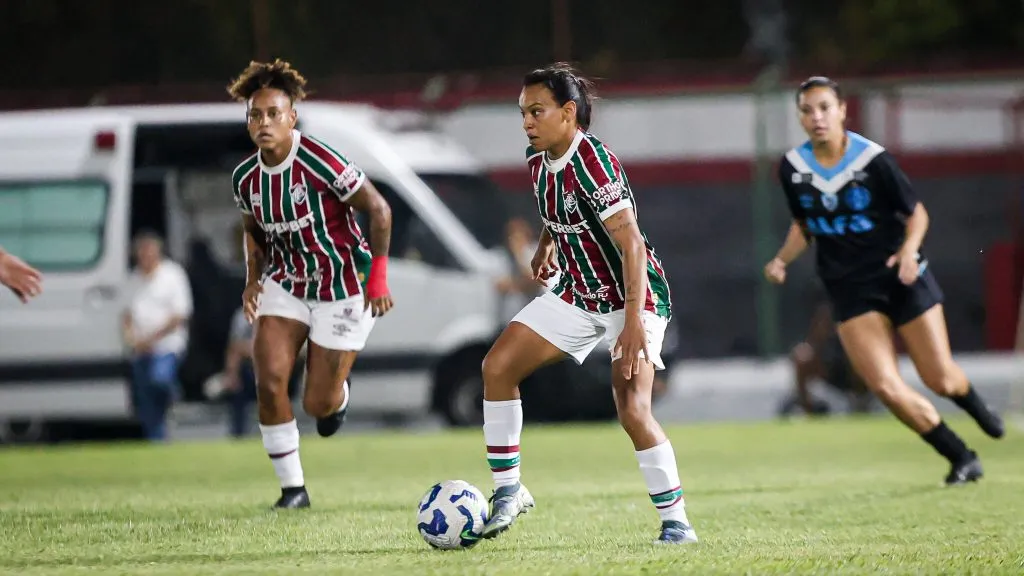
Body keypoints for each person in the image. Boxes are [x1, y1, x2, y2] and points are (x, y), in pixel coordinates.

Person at [478, 63, 696, 545]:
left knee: (633, 410)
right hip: (578, 292)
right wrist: (545, 245)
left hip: (633, 295)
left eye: (537, 111)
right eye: (523, 112)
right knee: (497, 368)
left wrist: (634, 323)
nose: (527, 122)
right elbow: (560, 212)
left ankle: (677, 523)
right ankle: (508, 491)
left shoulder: (594, 163)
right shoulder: (538, 160)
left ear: (568, 112)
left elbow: (632, 245)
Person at [764, 76, 1005, 486]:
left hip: (900, 275)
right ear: (800, 117)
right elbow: (804, 225)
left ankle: (976, 406)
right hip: (849, 288)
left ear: (842, 110)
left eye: (825, 107)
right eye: (807, 110)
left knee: (940, 378)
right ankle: (960, 456)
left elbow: (916, 213)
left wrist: (910, 250)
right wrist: (781, 260)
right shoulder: (793, 167)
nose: (816, 117)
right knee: (886, 387)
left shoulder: (872, 160)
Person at [226, 59, 394, 509]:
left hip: (344, 285)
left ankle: (335, 400)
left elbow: (379, 211)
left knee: (316, 403)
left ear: (291, 117)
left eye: (273, 114)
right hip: (287, 284)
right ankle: (293, 490)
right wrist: (251, 281)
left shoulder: (320, 162)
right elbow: (255, 232)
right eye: (255, 115)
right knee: (268, 381)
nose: (263, 123)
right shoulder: (246, 179)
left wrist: (377, 276)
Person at [122, 231, 194, 442]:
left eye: (149, 251)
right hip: (139, 348)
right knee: (145, 400)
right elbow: (125, 315)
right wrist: (131, 339)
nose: (145, 256)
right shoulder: (132, 279)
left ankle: (175, 398)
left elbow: (180, 315)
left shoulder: (173, 275)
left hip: (167, 345)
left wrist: (150, 340)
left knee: (159, 380)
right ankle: (157, 440)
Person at [780, 294, 873, 417]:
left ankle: (861, 403)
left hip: (853, 367)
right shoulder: (824, 312)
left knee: (860, 359)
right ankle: (807, 408)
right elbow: (813, 344)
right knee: (801, 357)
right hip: (829, 365)